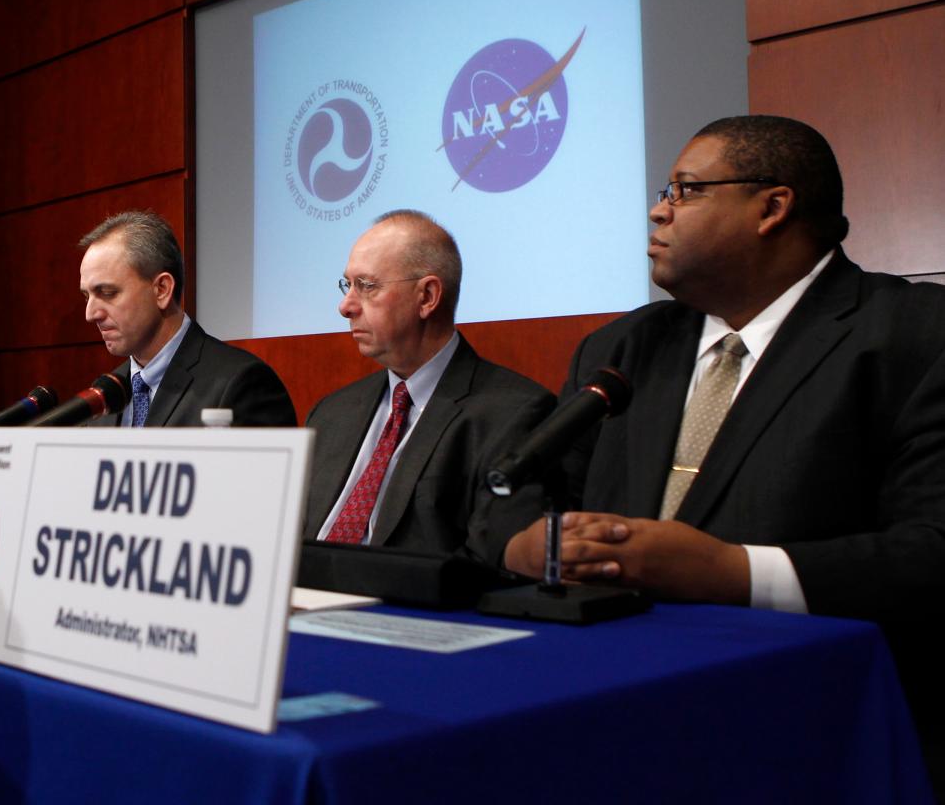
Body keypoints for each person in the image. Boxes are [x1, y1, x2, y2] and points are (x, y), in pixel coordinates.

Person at [498, 116, 945, 767]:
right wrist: (527, 542)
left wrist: (734, 573)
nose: (658, 211)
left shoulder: (914, 335)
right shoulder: (623, 346)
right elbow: (519, 484)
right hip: (604, 701)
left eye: (684, 191)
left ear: (772, 206)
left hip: (813, 727)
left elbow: (931, 551)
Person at [303, 210, 554, 553]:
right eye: (348, 285)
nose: (345, 306)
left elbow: (488, 558)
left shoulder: (513, 414)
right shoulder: (331, 413)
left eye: (367, 286)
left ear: (427, 297)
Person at [79, 210, 297, 428]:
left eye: (107, 292)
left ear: (162, 290)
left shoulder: (241, 384)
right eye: (87, 296)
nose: (90, 314)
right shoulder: (106, 394)